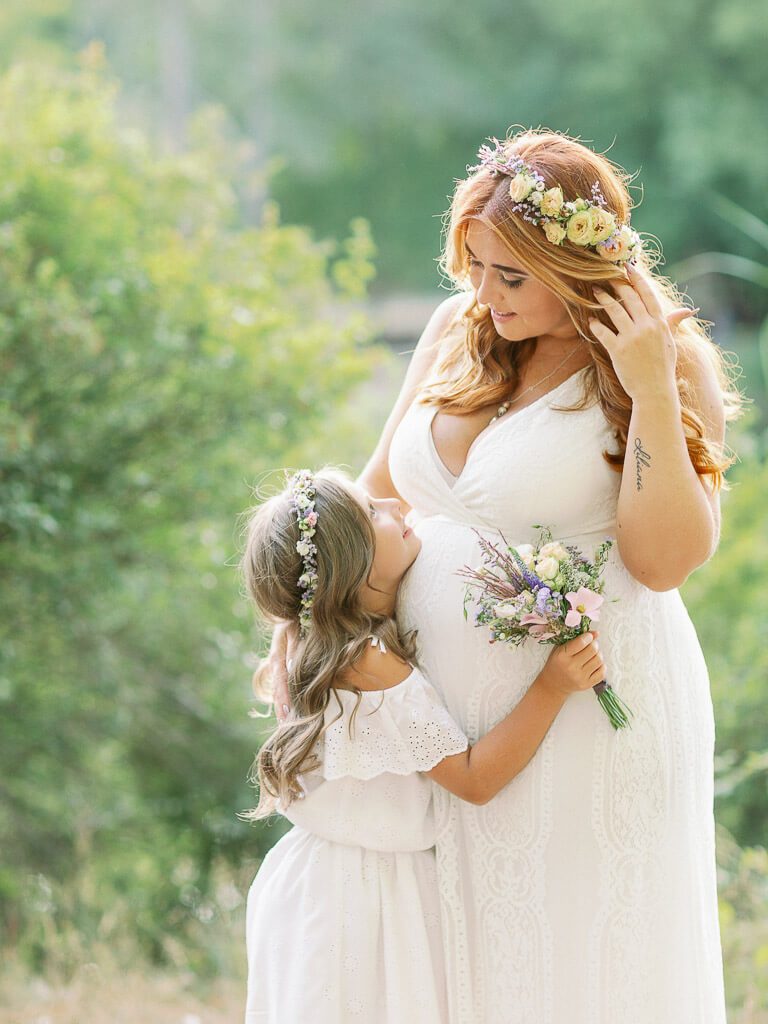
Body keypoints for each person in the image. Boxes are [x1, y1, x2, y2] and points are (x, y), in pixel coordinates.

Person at [269, 129, 745, 1023]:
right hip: (445, 726)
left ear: (571, 260)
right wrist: (306, 626)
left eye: (509, 276)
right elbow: (382, 497)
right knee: (462, 961)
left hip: (593, 717)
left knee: (585, 958)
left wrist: (647, 391)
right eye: (474, 267)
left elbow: (664, 560)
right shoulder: (460, 329)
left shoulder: (663, 357)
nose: (483, 295)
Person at [240, 467, 605, 1023]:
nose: (394, 501)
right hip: (370, 903)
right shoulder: (367, 663)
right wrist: (551, 686)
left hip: (305, 884)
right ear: (351, 565)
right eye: (372, 512)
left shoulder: (298, 640)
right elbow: (474, 779)